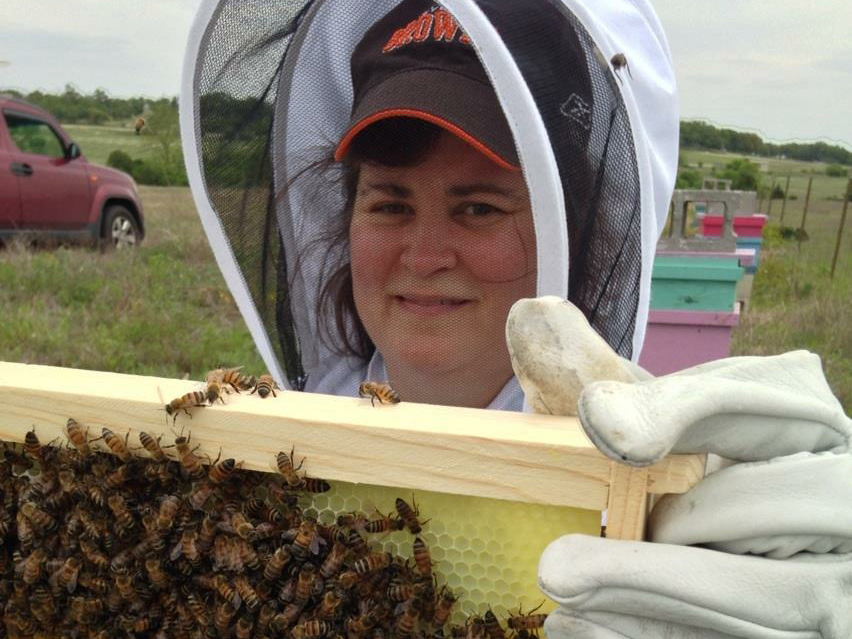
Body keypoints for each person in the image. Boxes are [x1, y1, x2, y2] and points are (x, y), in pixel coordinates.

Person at [181, 0, 851, 636]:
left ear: (574, 230)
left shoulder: (659, 498)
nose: (424, 254)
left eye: (478, 207)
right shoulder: (262, 458)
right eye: (390, 204)